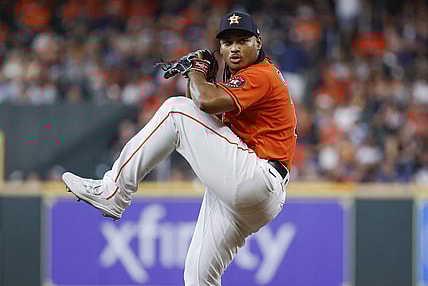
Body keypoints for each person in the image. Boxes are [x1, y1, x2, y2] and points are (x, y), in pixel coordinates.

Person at [62, 11, 297, 285]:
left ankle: (114, 191)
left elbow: (203, 103)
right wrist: (199, 78)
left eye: (243, 40)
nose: (234, 48)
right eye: (228, 42)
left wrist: (197, 72)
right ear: (220, 47)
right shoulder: (239, 82)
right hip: (253, 192)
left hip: (256, 177)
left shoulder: (261, 74)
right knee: (197, 277)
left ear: (258, 42)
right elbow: (202, 107)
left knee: (175, 110)